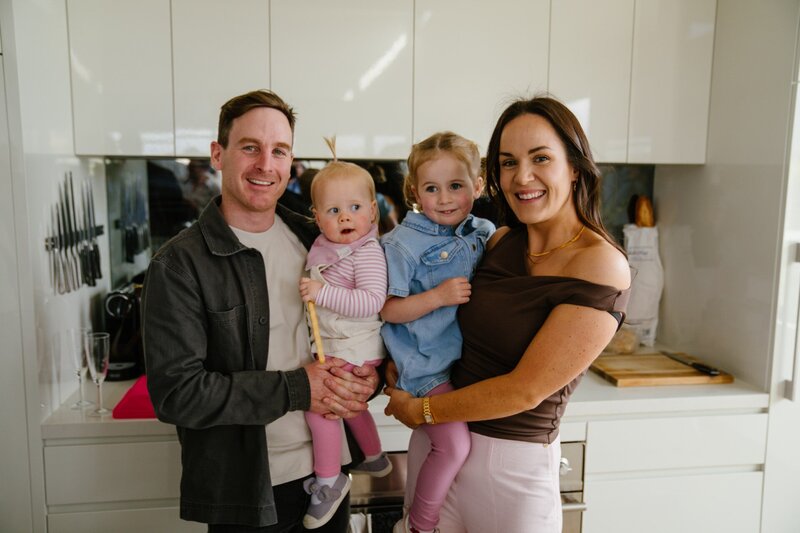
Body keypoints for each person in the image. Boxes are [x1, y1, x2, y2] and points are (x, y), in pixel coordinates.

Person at [384, 96, 631, 533]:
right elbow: (436, 322)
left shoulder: (600, 263)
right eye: (508, 162)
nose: (523, 177)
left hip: (510, 471)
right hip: (437, 447)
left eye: (540, 158)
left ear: (574, 166)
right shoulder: (494, 242)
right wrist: (394, 364)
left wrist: (420, 411)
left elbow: (524, 390)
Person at [142, 89, 380, 532]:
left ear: (291, 162)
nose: (265, 164)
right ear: (219, 154)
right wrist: (297, 388)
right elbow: (178, 394)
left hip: (330, 479)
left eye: (279, 150)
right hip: (247, 493)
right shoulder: (178, 265)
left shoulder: (320, 239)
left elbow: (368, 317)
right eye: (250, 147)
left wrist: (373, 377)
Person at [379, 131, 495, 533]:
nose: (445, 199)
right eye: (432, 188)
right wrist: (438, 296)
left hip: (464, 365)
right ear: (414, 191)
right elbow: (387, 309)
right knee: (454, 446)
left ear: (477, 186)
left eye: (456, 186)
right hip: (427, 365)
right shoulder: (401, 244)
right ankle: (418, 526)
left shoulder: (483, 231)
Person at [297, 145, 392, 529]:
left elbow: (372, 300)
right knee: (353, 406)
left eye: (354, 207)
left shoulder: (365, 253)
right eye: (334, 211)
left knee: (320, 408)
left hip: (356, 346)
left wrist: (322, 294)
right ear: (318, 218)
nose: (345, 217)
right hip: (339, 344)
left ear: (372, 210)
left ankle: (329, 479)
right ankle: (374, 456)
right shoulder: (327, 248)